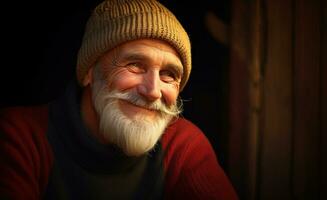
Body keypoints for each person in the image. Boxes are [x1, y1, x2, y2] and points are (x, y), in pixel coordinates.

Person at [0, 0, 239, 199]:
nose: (153, 91)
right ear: (89, 72)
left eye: (169, 75)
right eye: (135, 65)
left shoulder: (182, 144)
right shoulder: (21, 135)